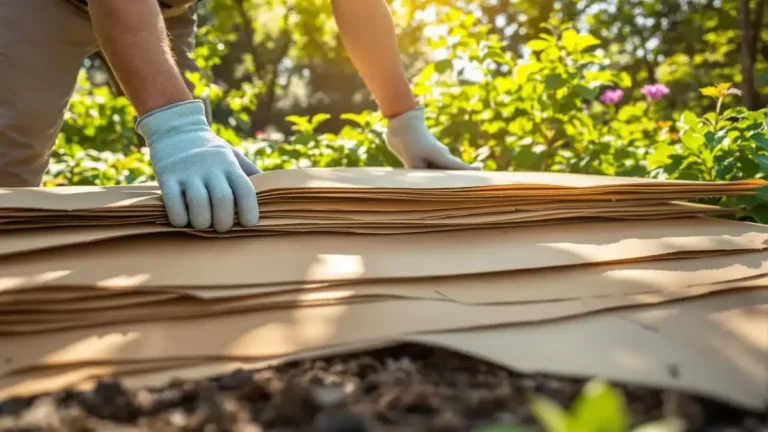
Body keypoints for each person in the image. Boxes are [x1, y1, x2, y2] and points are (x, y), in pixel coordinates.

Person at [0, 0, 474, 232]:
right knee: (11, 147)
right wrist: (174, 126)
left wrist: (403, 119)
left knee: (204, 171)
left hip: (166, 6)